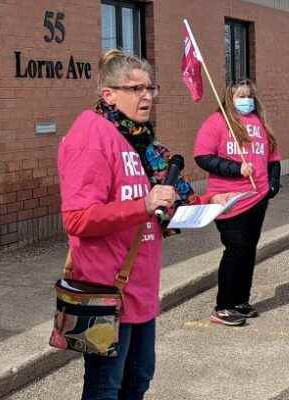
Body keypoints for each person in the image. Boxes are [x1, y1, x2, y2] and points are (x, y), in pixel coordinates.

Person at [59, 49, 231, 399]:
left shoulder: (141, 141)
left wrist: (205, 203)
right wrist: (142, 206)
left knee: (138, 380)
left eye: (151, 88)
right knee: (105, 387)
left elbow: (165, 199)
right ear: (108, 94)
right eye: (136, 89)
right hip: (105, 291)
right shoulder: (90, 136)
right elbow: (77, 219)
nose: (147, 97)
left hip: (139, 289)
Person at [194, 79, 281, 327]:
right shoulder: (217, 122)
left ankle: (240, 300)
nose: (246, 100)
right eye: (240, 96)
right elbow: (203, 157)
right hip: (229, 198)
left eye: (249, 95)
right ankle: (223, 306)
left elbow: (273, 157)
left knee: (249, 249)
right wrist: (235, 169)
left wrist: (273, 184)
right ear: (229, 98)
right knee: (236, 249)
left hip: (258, 197)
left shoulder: (259, 123)